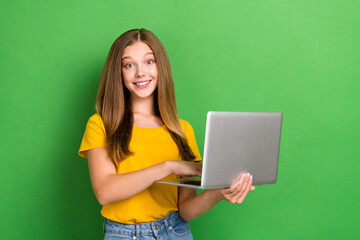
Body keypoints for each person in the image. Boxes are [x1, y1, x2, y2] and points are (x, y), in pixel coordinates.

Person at [78, 28, 255, 240]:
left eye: (149, 61)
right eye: (129, 65)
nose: (141, 72)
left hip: (175, 231)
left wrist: (217, 194)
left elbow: (185, 210)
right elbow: (105, 192)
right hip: (124, 235)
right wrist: (170, 166)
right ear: (118, 72)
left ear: (161, 66)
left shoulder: (181, 130)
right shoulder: (101, 124)